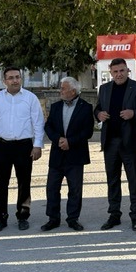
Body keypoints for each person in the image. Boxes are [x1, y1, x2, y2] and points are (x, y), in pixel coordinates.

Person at [95, 58, 136, 231]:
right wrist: (99, 114)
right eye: (115, 71)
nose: (119, 74)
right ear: (110, 72)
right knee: (112, 181)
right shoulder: (104, 89)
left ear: (128, 71)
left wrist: (133, 113)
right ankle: (114, 215)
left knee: (134, 181)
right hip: (110, 142)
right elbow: (96, 108)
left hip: (130, 143)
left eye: (122, 71)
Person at [0, 67, 44, 233]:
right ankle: (1, 218)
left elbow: (38, 122)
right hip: (2, 146)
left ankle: (23, 216)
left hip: (24, 146)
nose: (15, 80)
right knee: (1, 183)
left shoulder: (30, 98)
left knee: (24, 182)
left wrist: (37, 144)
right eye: (11, 78)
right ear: (5, 81)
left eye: (17, 77)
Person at [42, 77, 94, 231]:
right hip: (57, 154)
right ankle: (53, 218)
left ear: (73, 91)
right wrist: (58, 140)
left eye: (63, 88)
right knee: (52, 188)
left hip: (76, 155)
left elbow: (88, 131)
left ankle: (73, 219)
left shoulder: (86, 107)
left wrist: (70, 141)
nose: (60, 91)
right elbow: (48, 126)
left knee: (75, 189)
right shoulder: (56, 106)